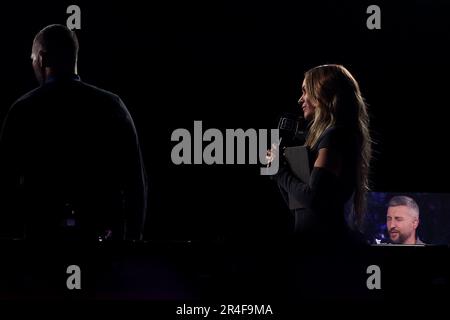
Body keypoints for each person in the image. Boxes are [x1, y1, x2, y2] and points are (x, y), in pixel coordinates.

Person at [0, 24, 147, 241]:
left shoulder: (23, 110)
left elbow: (5, 184)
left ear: (42, 58)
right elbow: (135, 183)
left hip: (40, 246)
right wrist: (131, 243)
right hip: (101, 246)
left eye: (32, 58)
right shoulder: (112, 106)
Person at [268, 64, 371, 245]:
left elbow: (314, 198)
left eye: (305, 91)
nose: (300, 99)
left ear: (322, 94)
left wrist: (279, 172)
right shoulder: (330, 137)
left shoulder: (335, 136)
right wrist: (281, 170)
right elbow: (299, 208)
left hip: (325, 249)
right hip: (312, 245)